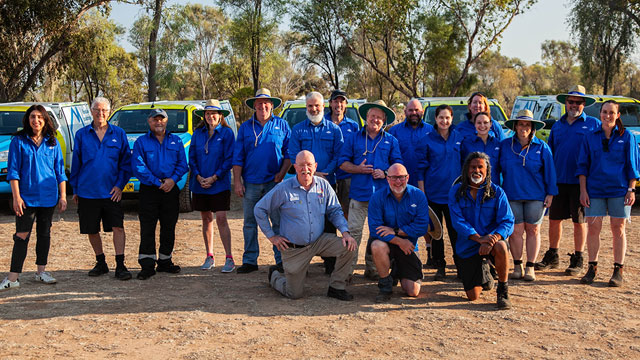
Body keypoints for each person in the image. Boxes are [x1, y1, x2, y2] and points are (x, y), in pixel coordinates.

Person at [256, 151, 357, 300]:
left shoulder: (323, 185)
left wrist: (345, 232)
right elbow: (259, 209)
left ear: (315, 166)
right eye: (301, 165)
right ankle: (275, 276)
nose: (306, 169)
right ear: (295, 167)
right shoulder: (283, 188)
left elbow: (335, 210)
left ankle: (336, 286)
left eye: (309, 165)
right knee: (294, 294)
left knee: (349, 246)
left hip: (319, 241)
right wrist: (272, 236)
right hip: (294, 249)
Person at [1, 105, 67, 291]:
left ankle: (41, 272)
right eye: (32, 116)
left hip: (48, 197)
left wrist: (62, 196)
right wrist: (16, 197)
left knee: (44, 234)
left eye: (39, 117)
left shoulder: (52, 143)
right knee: (21, 236)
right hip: (26, 199)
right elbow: (13, 172)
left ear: (45, 120)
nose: (35, 120)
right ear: (27, 120)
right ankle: (13, 278)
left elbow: (60, 172)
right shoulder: (18, 141)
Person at [537, 85, 601, 276]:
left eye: (578, 102)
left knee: (578, 221)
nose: (574, 105)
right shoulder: (557, 125)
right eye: (570, 102)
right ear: (566, 103)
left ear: (584, 104)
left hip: (580, 182)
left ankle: (578, 257)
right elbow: (550, 154)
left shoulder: (593, 124)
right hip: (558, 180)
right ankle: (553, 254)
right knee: (554, 219)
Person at [576, 100, 639, 286]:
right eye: (604, 112)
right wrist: (583, 190)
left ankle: (618, 269)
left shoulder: (627, 136)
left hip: (619, 190)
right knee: (593, 229)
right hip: (594, 190)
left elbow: (632, 166)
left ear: (618, 115)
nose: (608, 116)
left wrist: (631, 189)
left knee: (618, 229)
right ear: (600, 114)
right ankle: (592, 267)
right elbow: (582, 166)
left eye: (612, 112)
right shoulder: (590, 136)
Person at [338, 100, 403, 280]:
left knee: (378, 233)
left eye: (379, 117)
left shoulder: (391, 141)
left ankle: (373, 268)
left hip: (382, 197)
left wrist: (385, 172)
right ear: (366, 117)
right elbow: (342, 163)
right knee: (353, 233)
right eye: (372, 116)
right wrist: (358, 169)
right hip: (358, 195)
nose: (375, 120)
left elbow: (399, 165)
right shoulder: (353, 138)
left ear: (384, 120)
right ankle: (347, 271)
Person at [69, 97, 133, 280]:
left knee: (118, 227)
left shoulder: (119, 134)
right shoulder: (81, 134)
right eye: (97, 110)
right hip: (88, 191)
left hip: (111, 192)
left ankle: (120, 265)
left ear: (109, 112)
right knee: (91, 229)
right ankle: (101, 262)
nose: (100, 113)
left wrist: (120, 186)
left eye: (104, 110)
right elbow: (77, 163)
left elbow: (125, 164)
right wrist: (76, 188)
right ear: (91, 111)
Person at [233, 88, 291, 273]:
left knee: (278, 222)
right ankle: (250, 260)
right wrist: (237, 181)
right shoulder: (245, 127)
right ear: (255, 106)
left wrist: (282, 173)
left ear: (271, 105)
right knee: (250, 223)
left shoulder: (282, 125)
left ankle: (281, 260)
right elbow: (237, 157)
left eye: (266, 103)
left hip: (273, 183)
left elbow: (289, 153)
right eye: (259, 103)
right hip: (250, 182)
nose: (263, 106)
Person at [449, 152, 515, 309]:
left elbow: (508, 221)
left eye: (480, 167)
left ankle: (503, 290)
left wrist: (493, 238)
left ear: (487, 170)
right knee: (473, 296)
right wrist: (479, 239)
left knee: (501, 246)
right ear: (466, 169)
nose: (476, 170)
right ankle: (485, 271)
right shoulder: (456, 192)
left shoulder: (497, 192)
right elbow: (457, 221)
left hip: (491, 242)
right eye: (473, 167)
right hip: (468, 246)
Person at [368, 163, 441, 302]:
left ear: (407, 177)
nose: (397, 181)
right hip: (389, 243)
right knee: (377, 245)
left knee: (413, 291)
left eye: (401, 177)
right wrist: (400, 241)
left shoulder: (418, 196)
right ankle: (385, 285)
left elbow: (421, 227)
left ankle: (398, 270)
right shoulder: (377, 197)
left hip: (409, 246)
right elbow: (375, 230)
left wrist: (396, 231)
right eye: (394, 178)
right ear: (387, 178)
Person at [289, 91, 344, 274]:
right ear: (306, 108)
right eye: (310, 106)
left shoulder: (335, 130)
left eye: (317, 105)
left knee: (329, 223)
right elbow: (293, 154)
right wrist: (310, 174)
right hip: (303, 185)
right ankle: (302, 264)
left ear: (323, 106)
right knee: (303, 222)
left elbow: (339, 155)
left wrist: (324, 173)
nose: (314, 109)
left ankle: (330, 264)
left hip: (327, 184)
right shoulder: (297, 130)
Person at [500, 109, 557, 282]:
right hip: (512, 194)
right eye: (521, 124)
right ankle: (518, 265)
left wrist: (551, 194)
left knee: (533, 230)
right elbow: (496, 170)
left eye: (527, 124)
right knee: (516, 231)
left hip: (536, 196)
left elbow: (550, 172)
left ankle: (530, 266)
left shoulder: (542, 147)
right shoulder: (505, 146)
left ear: (532, 127)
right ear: (515, 126)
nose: (524, 127)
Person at [132, 108, 188, 280]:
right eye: (155, 119)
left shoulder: (176, 141)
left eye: (161, 119)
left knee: (169, 226)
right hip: (150, 189)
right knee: (147, 226)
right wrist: (157, 182)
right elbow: (138, 166)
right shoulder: (141, 142)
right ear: (149, 122)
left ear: (166, 121)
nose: (158, 122)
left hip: (170, 189)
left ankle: (165, 261)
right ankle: (147, 265)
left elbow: (182, 164)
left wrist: (172, 180)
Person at [417, 104, 463, 280]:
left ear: (452, 119)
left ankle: (460, 266)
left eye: (447, 118)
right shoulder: (426, 140)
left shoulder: (460, 138)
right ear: (435, 119)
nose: (444, 121)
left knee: (456, 232)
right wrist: (422, 194)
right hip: (433, 194)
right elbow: (420, 170)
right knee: (437, 233)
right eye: (441, 117)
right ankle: (439, 265)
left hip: (455, 196)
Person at [190, 99, 236, 273]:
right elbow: (192, 156)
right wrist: (199, 176)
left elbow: (229, 159)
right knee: (206, 218)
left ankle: (229, 257)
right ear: (204, 116)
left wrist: (214, 177)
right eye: (208, 113)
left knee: (222, 218)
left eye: (214, 113)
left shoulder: (226, 133)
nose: (211, 116)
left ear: (220, 115)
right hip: (200, 183)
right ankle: (209, 255)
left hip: (219, 183)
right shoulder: (198, 133)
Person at [388, 99, 435, 264]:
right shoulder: (394, 132)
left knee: (426, 218)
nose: (414, 113)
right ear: (405, 112)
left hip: (425, 182)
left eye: (416, 110)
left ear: (422, 112)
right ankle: (402, 255)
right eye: (410, 110)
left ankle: (430, 252)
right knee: (401, 217)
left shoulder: (431, 131)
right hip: (400, 184)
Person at [325, 89, 360, 218]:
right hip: (326, 175)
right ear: (330, 103)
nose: (338, 105)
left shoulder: (353, 126)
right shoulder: (322, 123)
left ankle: (347, 237)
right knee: (328, 212)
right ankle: (331, 238)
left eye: (341, 102)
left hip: (347, 176)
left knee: (347, 211)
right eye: (335, 101)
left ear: (346, 104)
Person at [460, 112, 501, 184]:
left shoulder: (497, 144)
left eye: (485, 122)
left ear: (490, 124)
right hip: (472, 188)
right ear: (475, 125)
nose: (482, 125)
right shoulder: (466, 143)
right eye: (479, 123)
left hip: (493, 189)